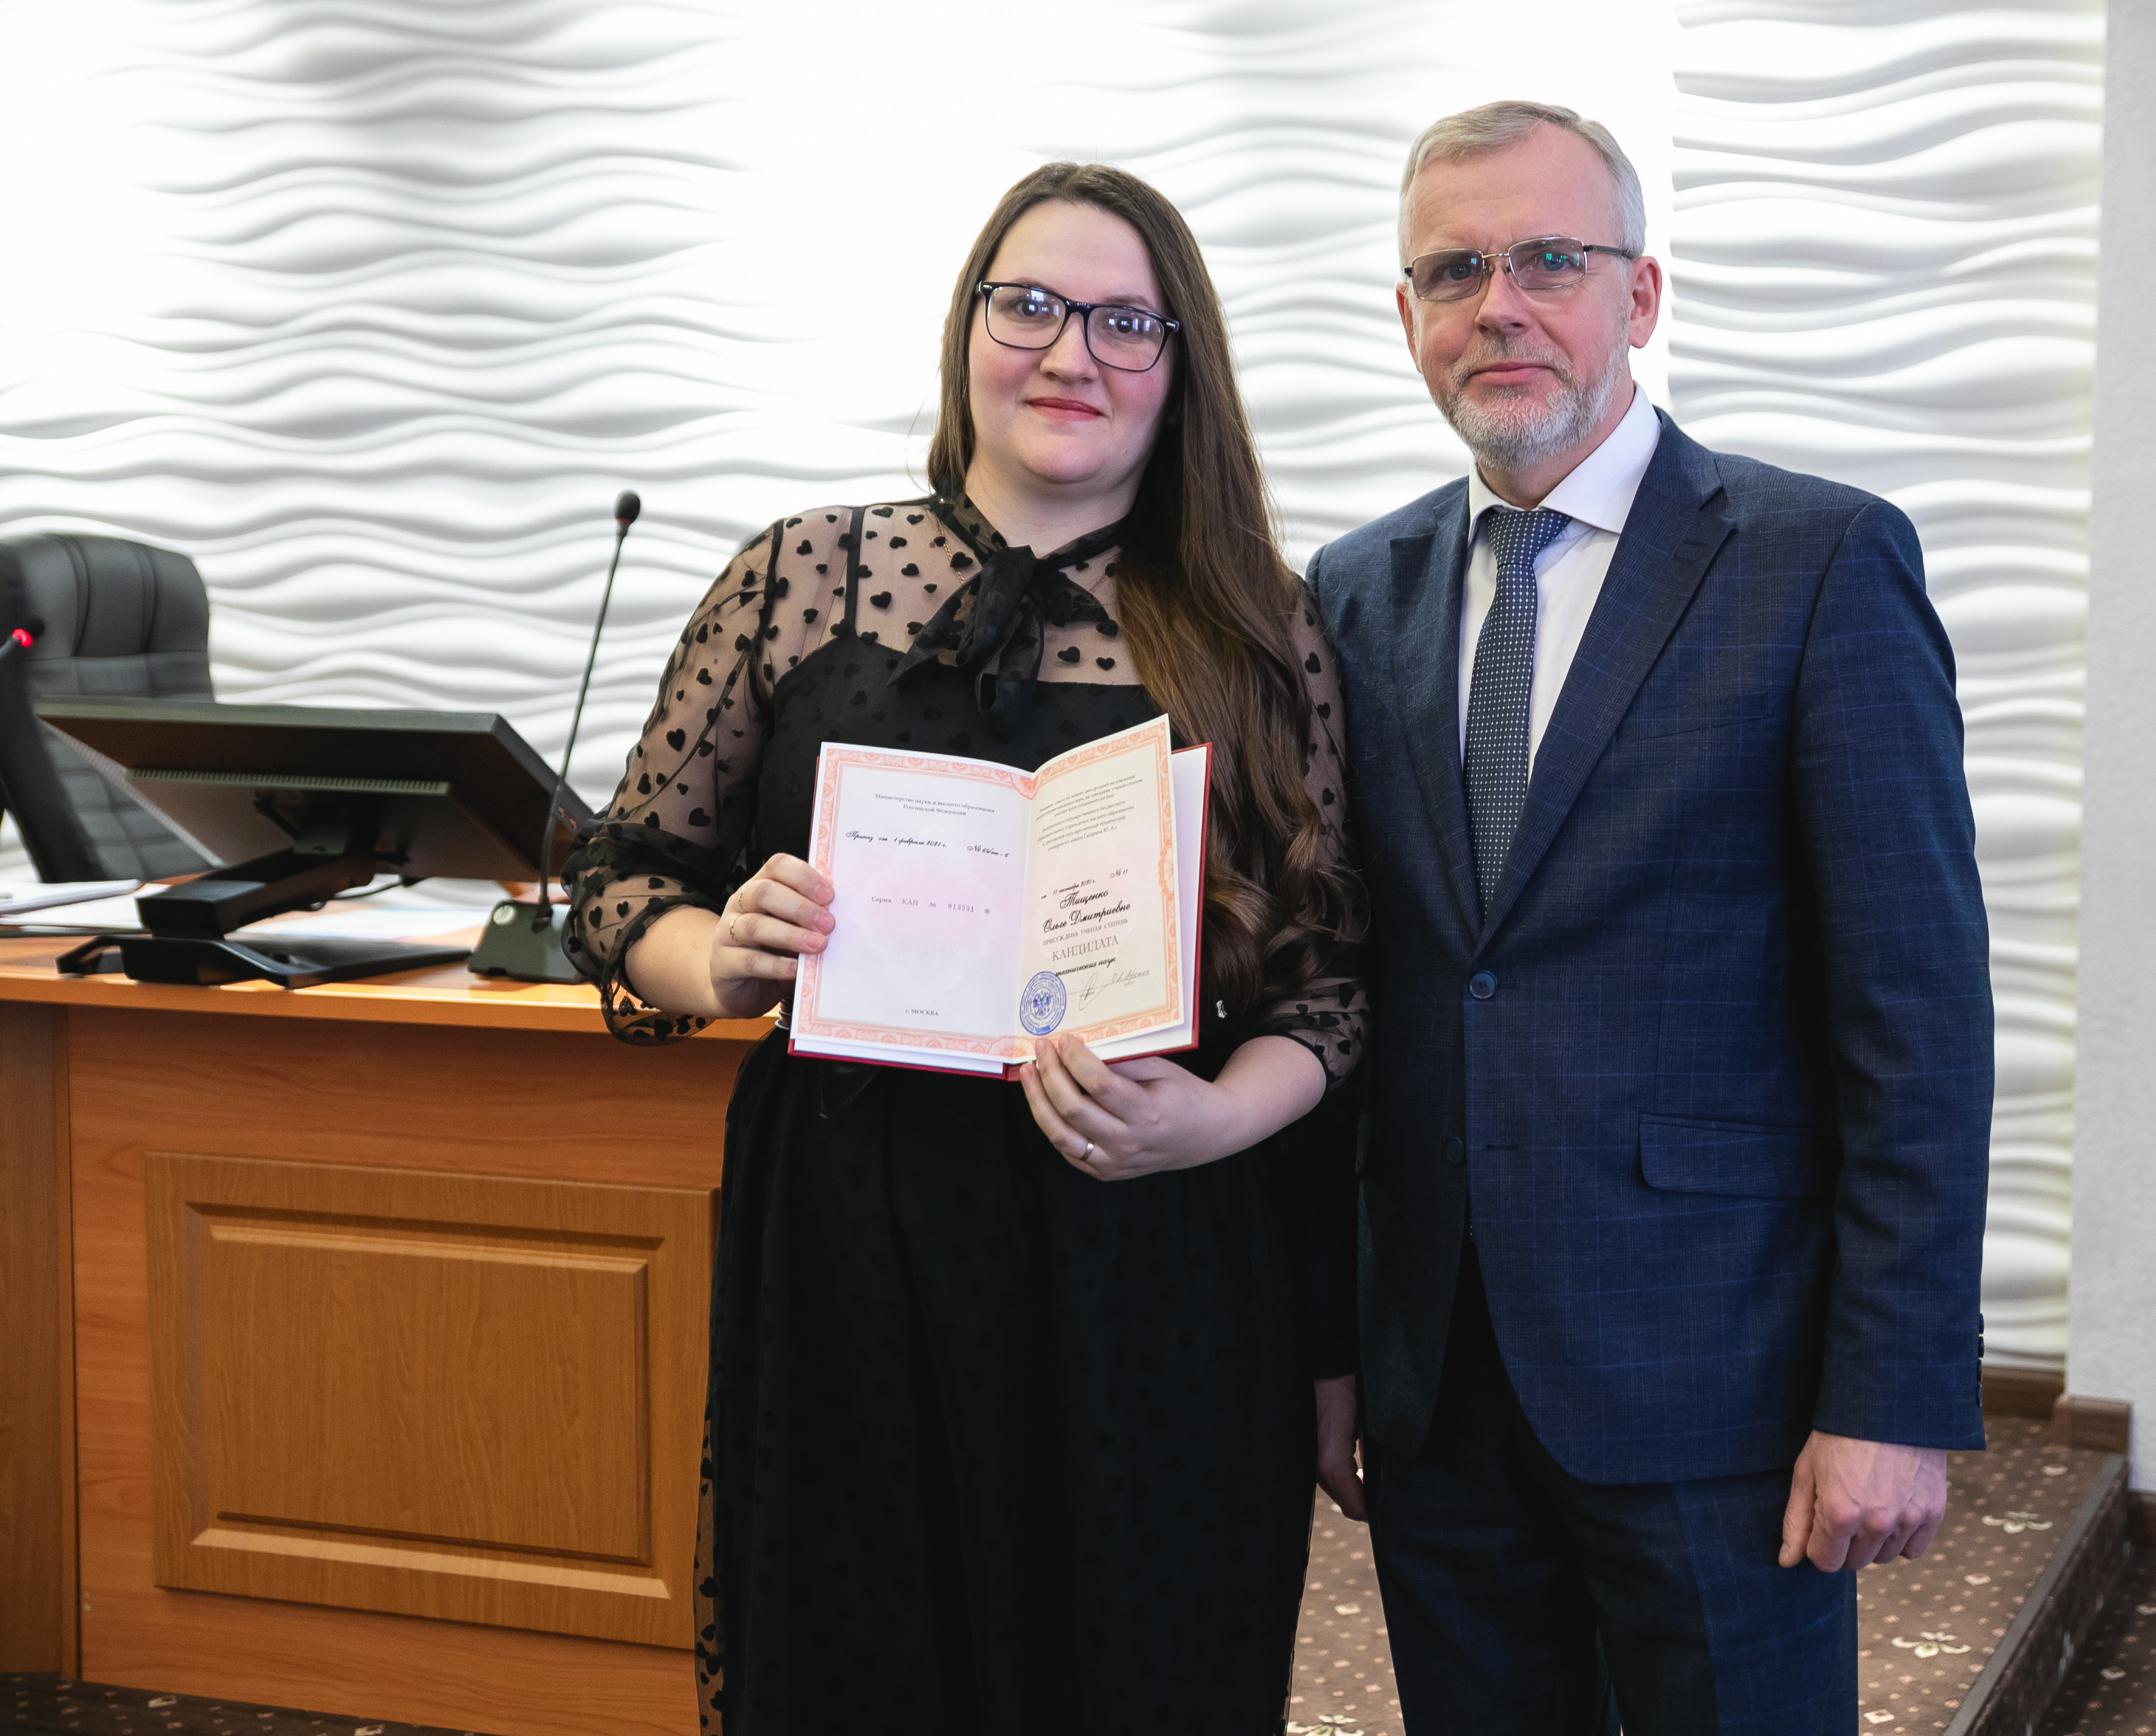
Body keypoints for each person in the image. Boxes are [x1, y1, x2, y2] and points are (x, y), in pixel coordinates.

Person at [562, 162, 1371, 1735]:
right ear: (969, 329)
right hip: (853, 1239)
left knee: (1141, 1673)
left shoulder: (1261, 628)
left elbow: (1332, 987)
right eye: (1032, 306)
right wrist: (717, 958)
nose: (1071, 353)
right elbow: (620, 879)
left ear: (1181, 366)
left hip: (1158, 1249)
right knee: (863, 1668)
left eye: (1126, 322)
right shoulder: (800, 580)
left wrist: (1213, 1119)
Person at [1305, 101, 1994, 1734]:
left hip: (1719, 1379)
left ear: (1643, 293)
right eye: (1455, 271)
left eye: (1551, 259)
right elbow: (1351, 992)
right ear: (1406, 316)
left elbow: (1916, 1018)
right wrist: (1333, 1347)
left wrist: (1893, 1395)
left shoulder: (1818, 563)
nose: (1502, 306)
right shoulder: (1351, 592)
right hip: (1437, 1383)